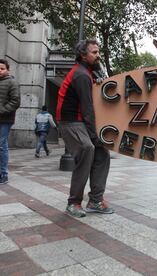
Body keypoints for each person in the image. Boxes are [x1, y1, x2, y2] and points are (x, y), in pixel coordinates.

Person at [57, 39, 114, 218]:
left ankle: (95, 200)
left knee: (102, 154)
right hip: (69, 121)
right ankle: (73, 203)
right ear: (83, 55)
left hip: (81, 121)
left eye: (98, 52)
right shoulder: (81, 75)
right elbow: (88, 108)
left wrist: (98, 70)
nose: (98, 56)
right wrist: (94, 135)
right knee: (87, 148)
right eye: (94, 53)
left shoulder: (89, 72)